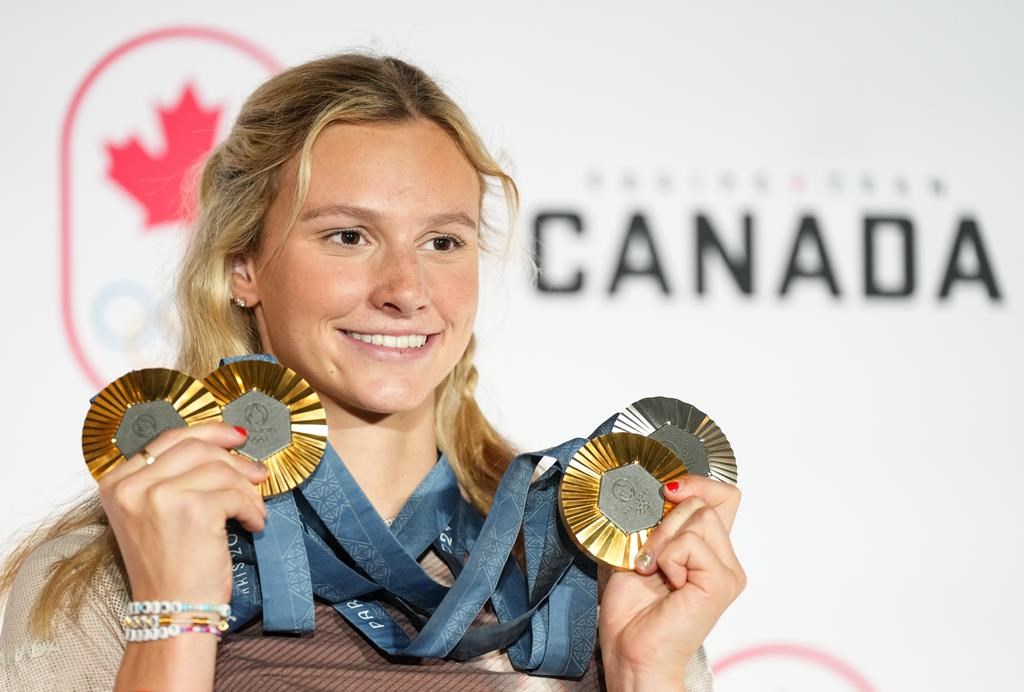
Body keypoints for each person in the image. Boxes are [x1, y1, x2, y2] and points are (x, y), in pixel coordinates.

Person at [0, 53, 745, 691]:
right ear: (243, 266)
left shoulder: (589, 571)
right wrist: (174, 613)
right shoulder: (101, 576)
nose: (406, 290)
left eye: (442, 243)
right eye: (349, 235)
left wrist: (648, 670)